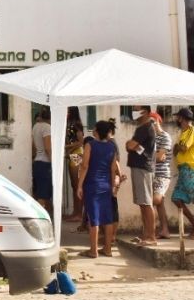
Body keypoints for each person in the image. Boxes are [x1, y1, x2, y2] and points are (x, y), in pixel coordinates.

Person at [77, 120, 121, 258]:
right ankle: (107, 249)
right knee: (107, 218)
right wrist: (113, 186)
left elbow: (84, 166)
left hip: (92, 184)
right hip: (106, 186)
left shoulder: (90, 145)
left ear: (96, 131)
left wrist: (79, 185)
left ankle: (93, 250)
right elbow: (113, 169)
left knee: (93, 219)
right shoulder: (111, 147)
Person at [171, 108, 194, 239]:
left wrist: (178, 147)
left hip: (192, 169)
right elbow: (175, 151)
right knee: (176, 198)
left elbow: (183, 148)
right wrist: (177, 148)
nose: (176, 120)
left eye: (178, 117)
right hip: (183, 170)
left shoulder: (193, 130)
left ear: (182, 118)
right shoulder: (182, 133)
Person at [125, 105, 157, 246]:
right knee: (142, 203)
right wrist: (131, 145)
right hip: (138, 167)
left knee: (146, 202)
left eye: (136, 109)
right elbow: (130, 146)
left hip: (143, 168)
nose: (134, 111)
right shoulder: (141, 128)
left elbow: (131, 146)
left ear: (145, 111)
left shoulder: (146, 128)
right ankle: (146, 234)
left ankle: (151, 236)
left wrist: (131, 145)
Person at [151, 112, 173, 239]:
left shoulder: (165, 137)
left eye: (152, 121)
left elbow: (160, 157)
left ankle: (150, 232)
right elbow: (141, 153)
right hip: (151, 174)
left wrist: (152, 156)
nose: (151, 124)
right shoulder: (150, 137)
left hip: (162, 174)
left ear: (158, 121)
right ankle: (164, 230)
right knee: (160, 204)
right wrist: (156, 156)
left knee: (154, 201)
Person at [62, 107, 85, 222]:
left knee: (77, 185)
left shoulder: (77, 125)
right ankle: (76, 212)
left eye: (67, 111)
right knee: (73, 185)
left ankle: (79, 214)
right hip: (73, 154)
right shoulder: (71, 124)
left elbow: (81, 142)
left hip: (77, 155)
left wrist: (67, 148)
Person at [31, 107, 53, 217]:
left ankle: (47, 218)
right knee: (43, 195)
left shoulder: (35, 126)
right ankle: (40, 219)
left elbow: (33, 146)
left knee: (41, 193)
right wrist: (53, 162)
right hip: (45, 163)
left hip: (37, 162)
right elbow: (48, 147)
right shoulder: (47, 127)